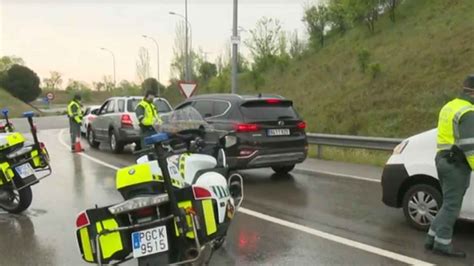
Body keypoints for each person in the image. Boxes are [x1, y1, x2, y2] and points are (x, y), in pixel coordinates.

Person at [425, 75, 474, 258]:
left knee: (447, 204)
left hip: (442, 159)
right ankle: (442, 244)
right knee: (453, 206)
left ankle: (431, 238)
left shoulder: (450, 106)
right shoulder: (468, 111)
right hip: (456, 165)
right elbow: (470, 145)